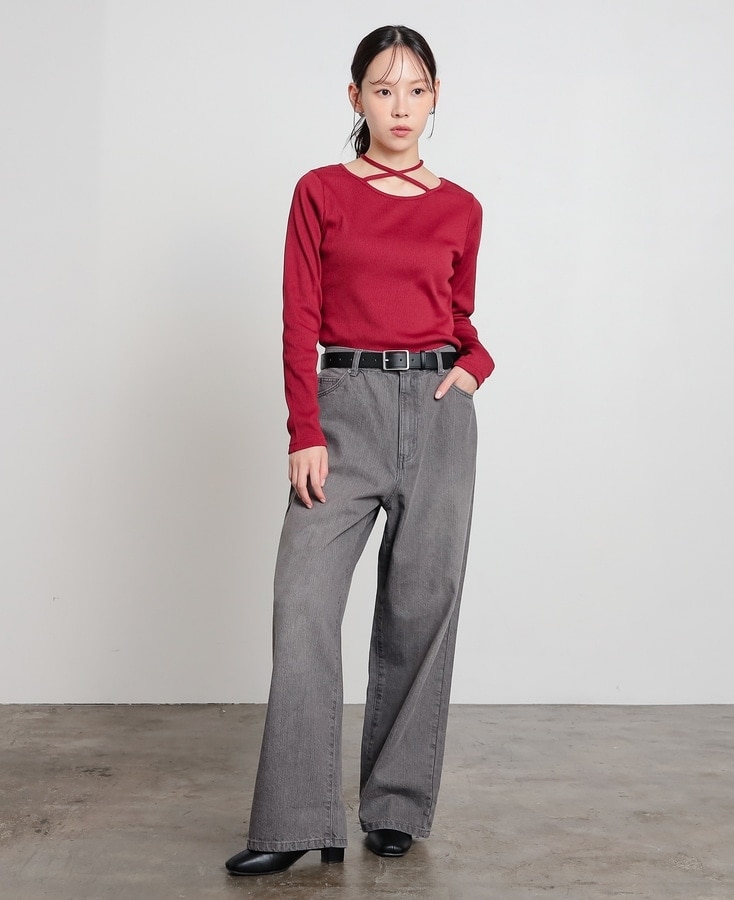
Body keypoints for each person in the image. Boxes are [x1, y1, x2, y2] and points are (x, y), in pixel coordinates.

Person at [226, 24, 494, 876]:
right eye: (383, 89)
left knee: (422, 605)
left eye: (415, 89)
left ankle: (395, 807)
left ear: (436, 96)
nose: (400, 106)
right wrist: (305, 429)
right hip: (344, 406)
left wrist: (476, 366)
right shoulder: (320, 193)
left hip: (439, 412)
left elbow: (458, 319)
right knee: (303, 602)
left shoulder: (461, 207)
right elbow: (298, 317)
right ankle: (294, 820)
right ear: (356, 98)